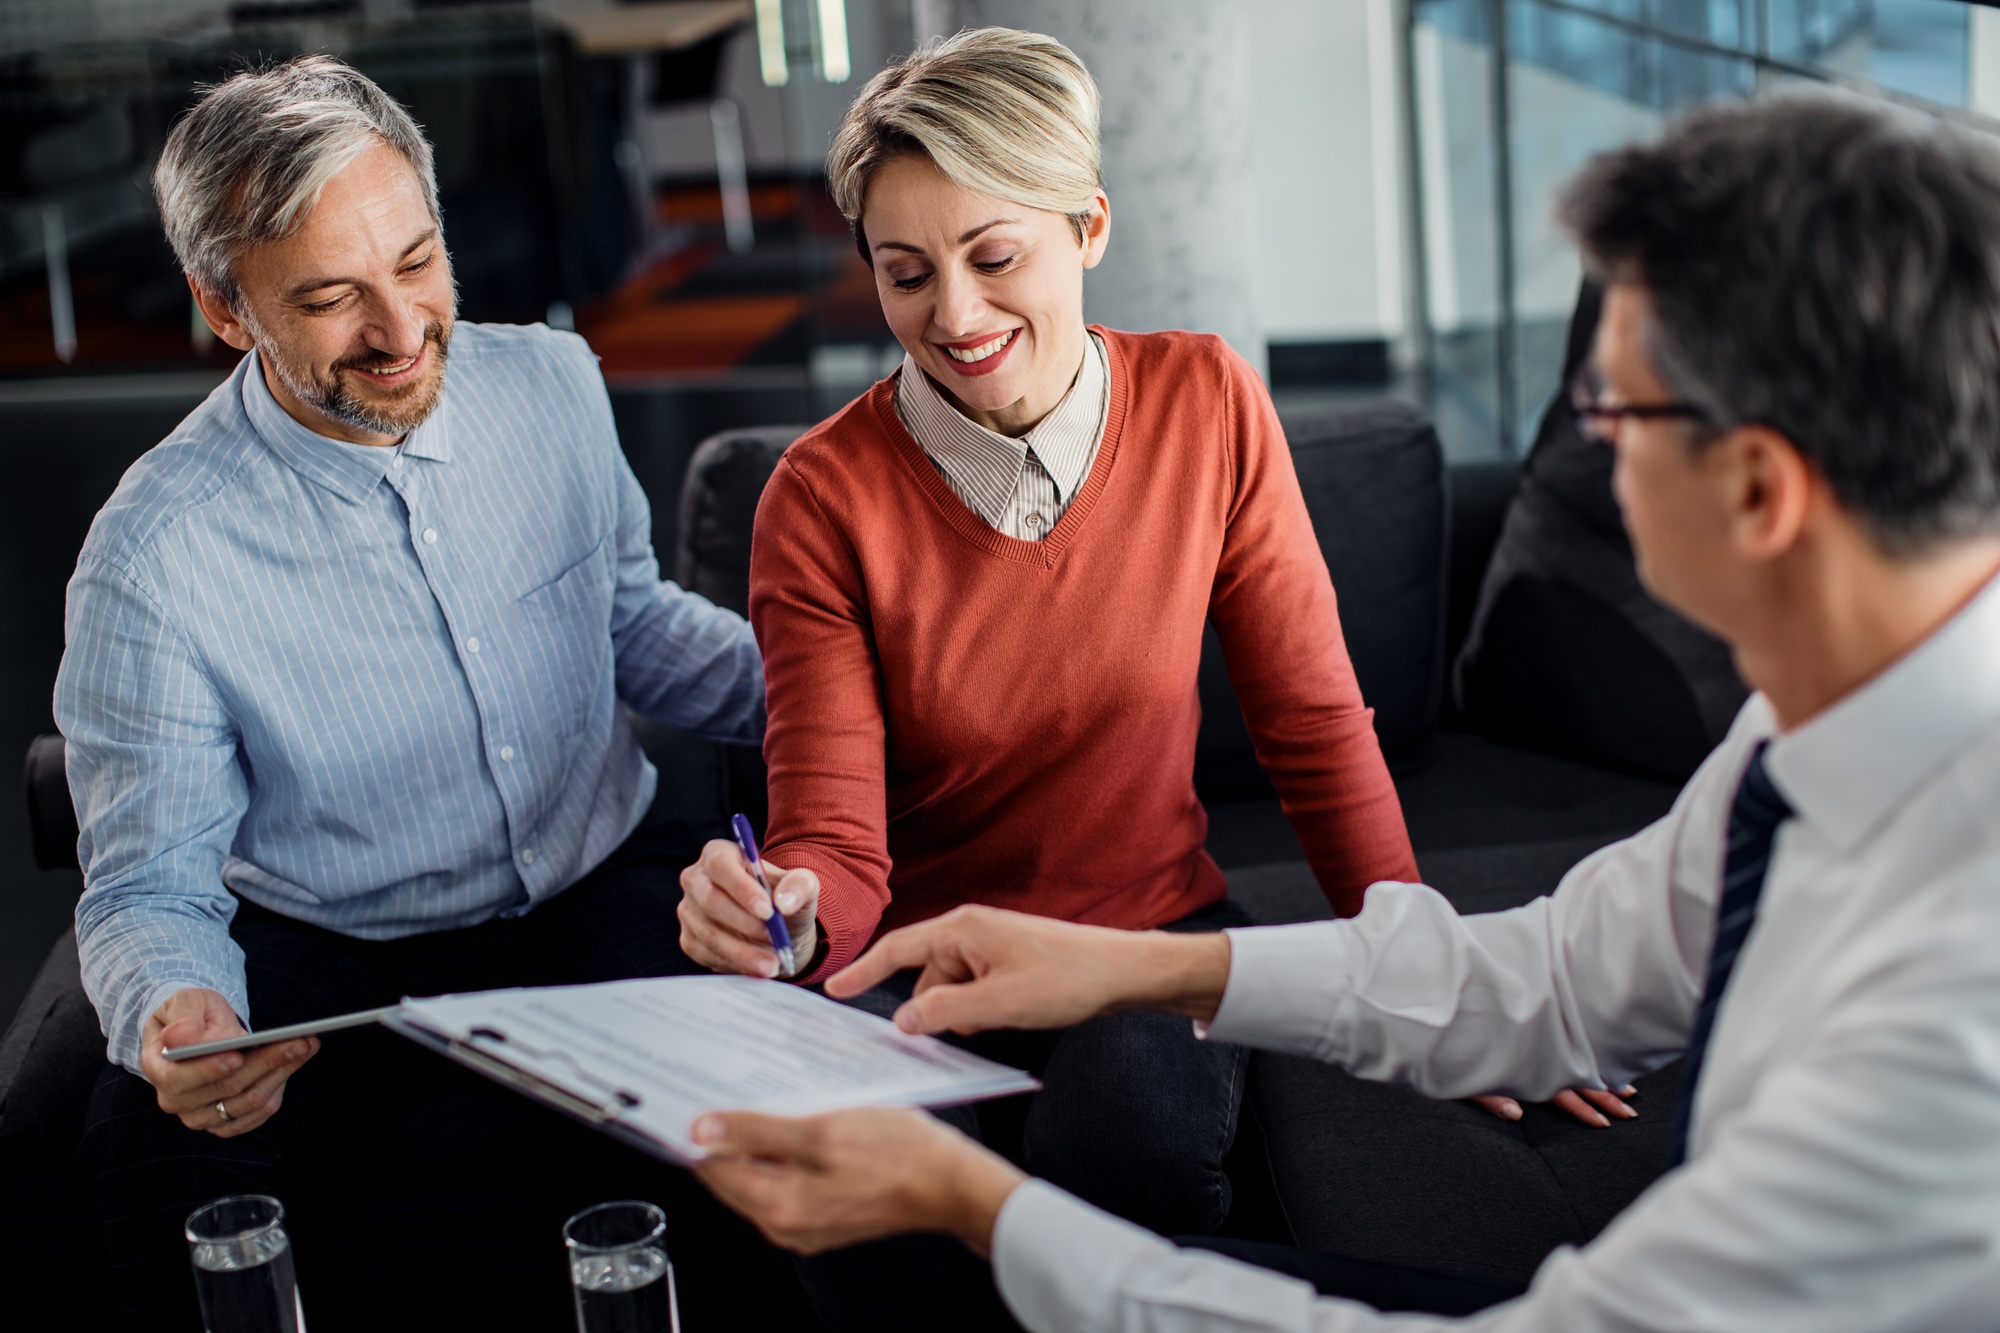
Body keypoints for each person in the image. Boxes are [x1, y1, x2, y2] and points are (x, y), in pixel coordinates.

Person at [684, 93, 2000, 1330]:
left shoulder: (1951, 1004)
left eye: (1611, 406)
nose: (1588, 446)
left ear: (1762, 490)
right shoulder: (1806, 745)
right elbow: (1556, 975)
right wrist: (1133, 965)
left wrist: (979, 1211)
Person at [60, 57, 798, 1330]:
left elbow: (632, 628)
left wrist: (844, 701)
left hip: (596, 891)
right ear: (227, 310)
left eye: (416, 263)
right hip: (328, 949)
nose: (402, 334)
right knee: (146, 1146)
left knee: (762, 1106)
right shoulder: (152, 555)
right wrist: (176, 1009)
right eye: (334, 298)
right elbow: (146, 886)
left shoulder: (553, 386)